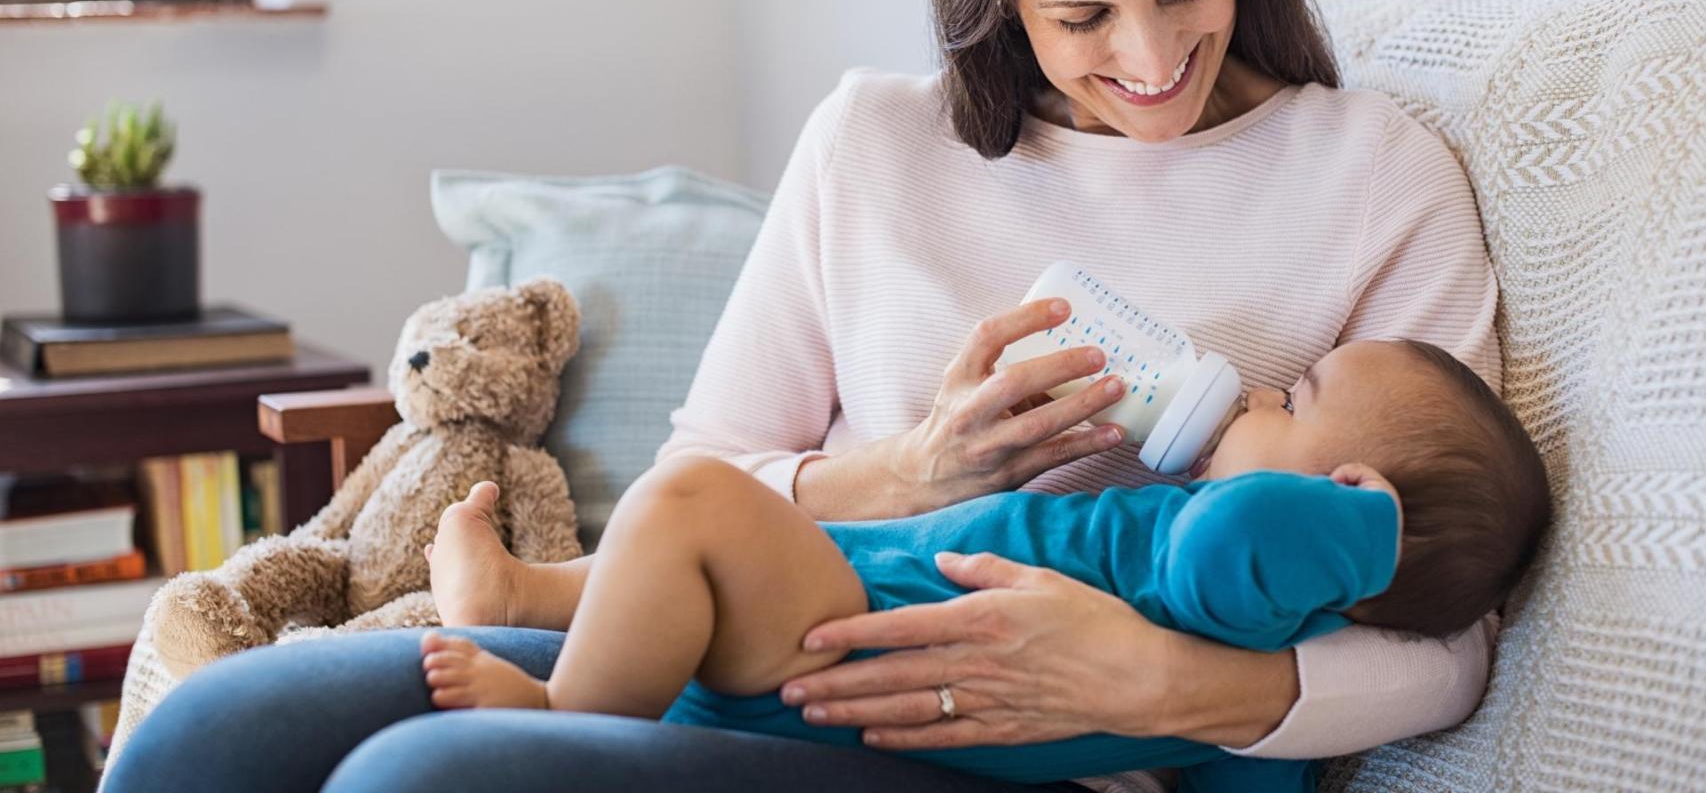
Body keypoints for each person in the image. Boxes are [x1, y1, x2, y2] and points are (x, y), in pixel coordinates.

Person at [103, 0, 1507, 791]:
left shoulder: (1370, 173)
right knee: (226, 725)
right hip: (768, 640)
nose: (1148, 61)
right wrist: (909, 472)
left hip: (1035, 754)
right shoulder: (874, 145)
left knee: (422, 777)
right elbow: (694, 479)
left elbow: (1448, 627)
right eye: (1081, 19)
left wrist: (1150, 682)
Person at [415, 339, 1549, 791]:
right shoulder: (1241, 653)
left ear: (1345, 504)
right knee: (699, 546)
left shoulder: (1226, 571)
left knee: (692, 509)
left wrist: (1350, 529)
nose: (1256, 391)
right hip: (852, 590)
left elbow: (1247, 540)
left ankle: (565, 708)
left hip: (853, 633)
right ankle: (526, 596)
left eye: (1291, 401)